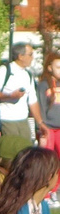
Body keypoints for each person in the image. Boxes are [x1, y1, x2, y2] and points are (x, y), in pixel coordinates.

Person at [0, 42, 43, 143]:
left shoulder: (28, 74)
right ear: (20, 56)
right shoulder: (5, 70)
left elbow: (32, 101)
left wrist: (40, 122)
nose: (32, 57)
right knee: (12, 152)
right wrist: (10, 96)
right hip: (7, 119)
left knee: (26, 151)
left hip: (23, 120)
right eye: (30, 54)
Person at [35, 52, 60, 193]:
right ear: (50, 68)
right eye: (58, 67)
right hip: (48, 128)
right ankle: (45, 191)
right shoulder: (43, 85)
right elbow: (40, 107)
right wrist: (41, 127)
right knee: (47, 161)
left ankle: (55, 188)